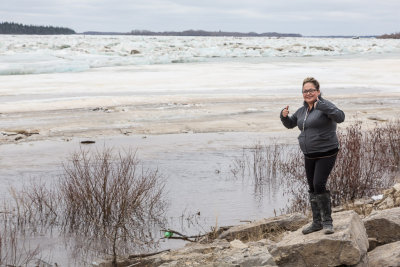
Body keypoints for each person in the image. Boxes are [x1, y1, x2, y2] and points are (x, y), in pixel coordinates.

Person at [280, 77, 345, 235]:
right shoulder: (302, 111)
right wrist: (284, 116)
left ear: (318, 91)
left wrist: (322, 105)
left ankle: (327, 222)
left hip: (326, 152)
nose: (308, 93)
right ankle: (317, 222)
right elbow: (291, 124)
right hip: (309, 154)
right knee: (312, 187)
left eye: (311, 90)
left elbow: (340, 117)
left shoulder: (325, 105)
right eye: (305, 91)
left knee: (319, 184)